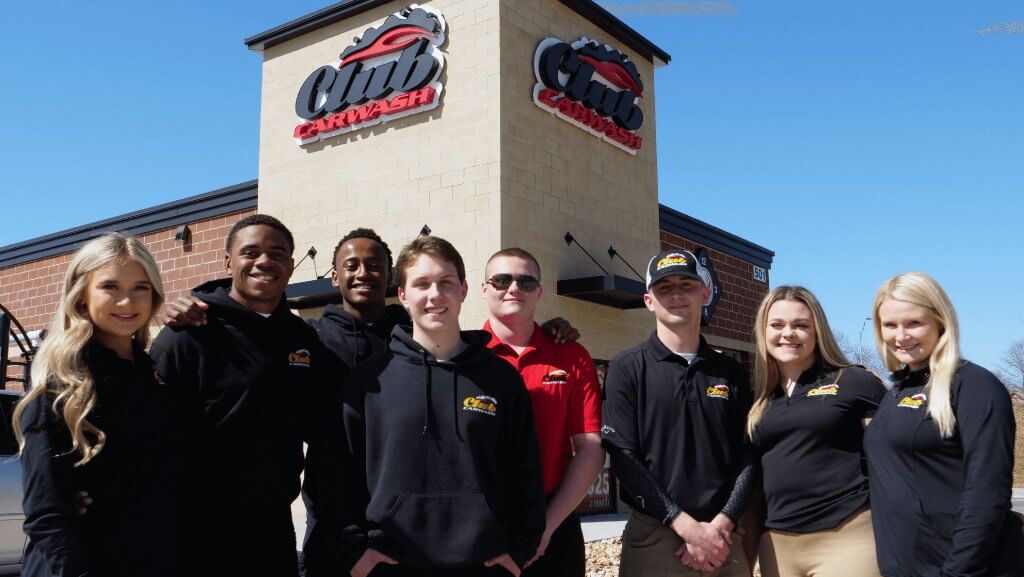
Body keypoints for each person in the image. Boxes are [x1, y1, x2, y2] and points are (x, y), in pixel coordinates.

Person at [148, 214, 349, 577]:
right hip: (197, 531)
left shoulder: (302, 340)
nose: (264, 262)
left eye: (277, 253)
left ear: (290, 264)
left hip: (271, 529)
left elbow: (330, 424)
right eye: (250, 252)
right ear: (229, 261)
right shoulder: (189, 334)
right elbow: (145, 430)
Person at [343, 235, 546, 577]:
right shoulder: (370, 380)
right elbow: (335, 476)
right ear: (404, 295)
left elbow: (525, 473)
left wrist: (519, 551)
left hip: (486, 563)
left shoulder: (501, 379)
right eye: (421, 284)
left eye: (445, 282)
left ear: (463, 290)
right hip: (389, 563)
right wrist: (353, 553)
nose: (435, 295)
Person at [14, 232, 187, 577]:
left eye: (141, 287)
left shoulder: (154, 377)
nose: (127, 301)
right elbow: (46, 514)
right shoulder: (60, 384)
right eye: (110, 287)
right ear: (81, 297)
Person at [601, 249, 756, 577]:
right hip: (656, 532)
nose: (675, 294)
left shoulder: (731, 371)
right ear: (648, 300)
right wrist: (683, 524)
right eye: (664, 288)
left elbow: (748, 455)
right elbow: (624, 459)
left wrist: (722, 523)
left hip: (723, 535)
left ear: (704, 292)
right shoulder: (627, 369)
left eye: (685, 284)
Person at [864, 272, 1024, 577]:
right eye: (890, 325)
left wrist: (959, 570)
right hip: (904, 567)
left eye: (913, 323)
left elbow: (987, 491)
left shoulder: (974, 386)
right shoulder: (899, 390)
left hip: (960, 569)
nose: (900, 336)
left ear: (941, 321)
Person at [481, 248, 604, 577]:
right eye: (502, 280)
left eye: (525, 281)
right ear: (483, 289)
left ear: (539, 291)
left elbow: (590, 447)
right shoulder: (467, 357)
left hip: (555, 520)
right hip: (481, 525)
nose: (513, 288)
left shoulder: (572, 356)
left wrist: (546, 528)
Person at [747, 286, 886, 577]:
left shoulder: (855, 382)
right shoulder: (759, 400)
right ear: (763, 331)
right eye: (777, 325)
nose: (789, 333)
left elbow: (891, 463)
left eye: (801, 325)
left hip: (846, 536)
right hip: (778, 545)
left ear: (817, 330)